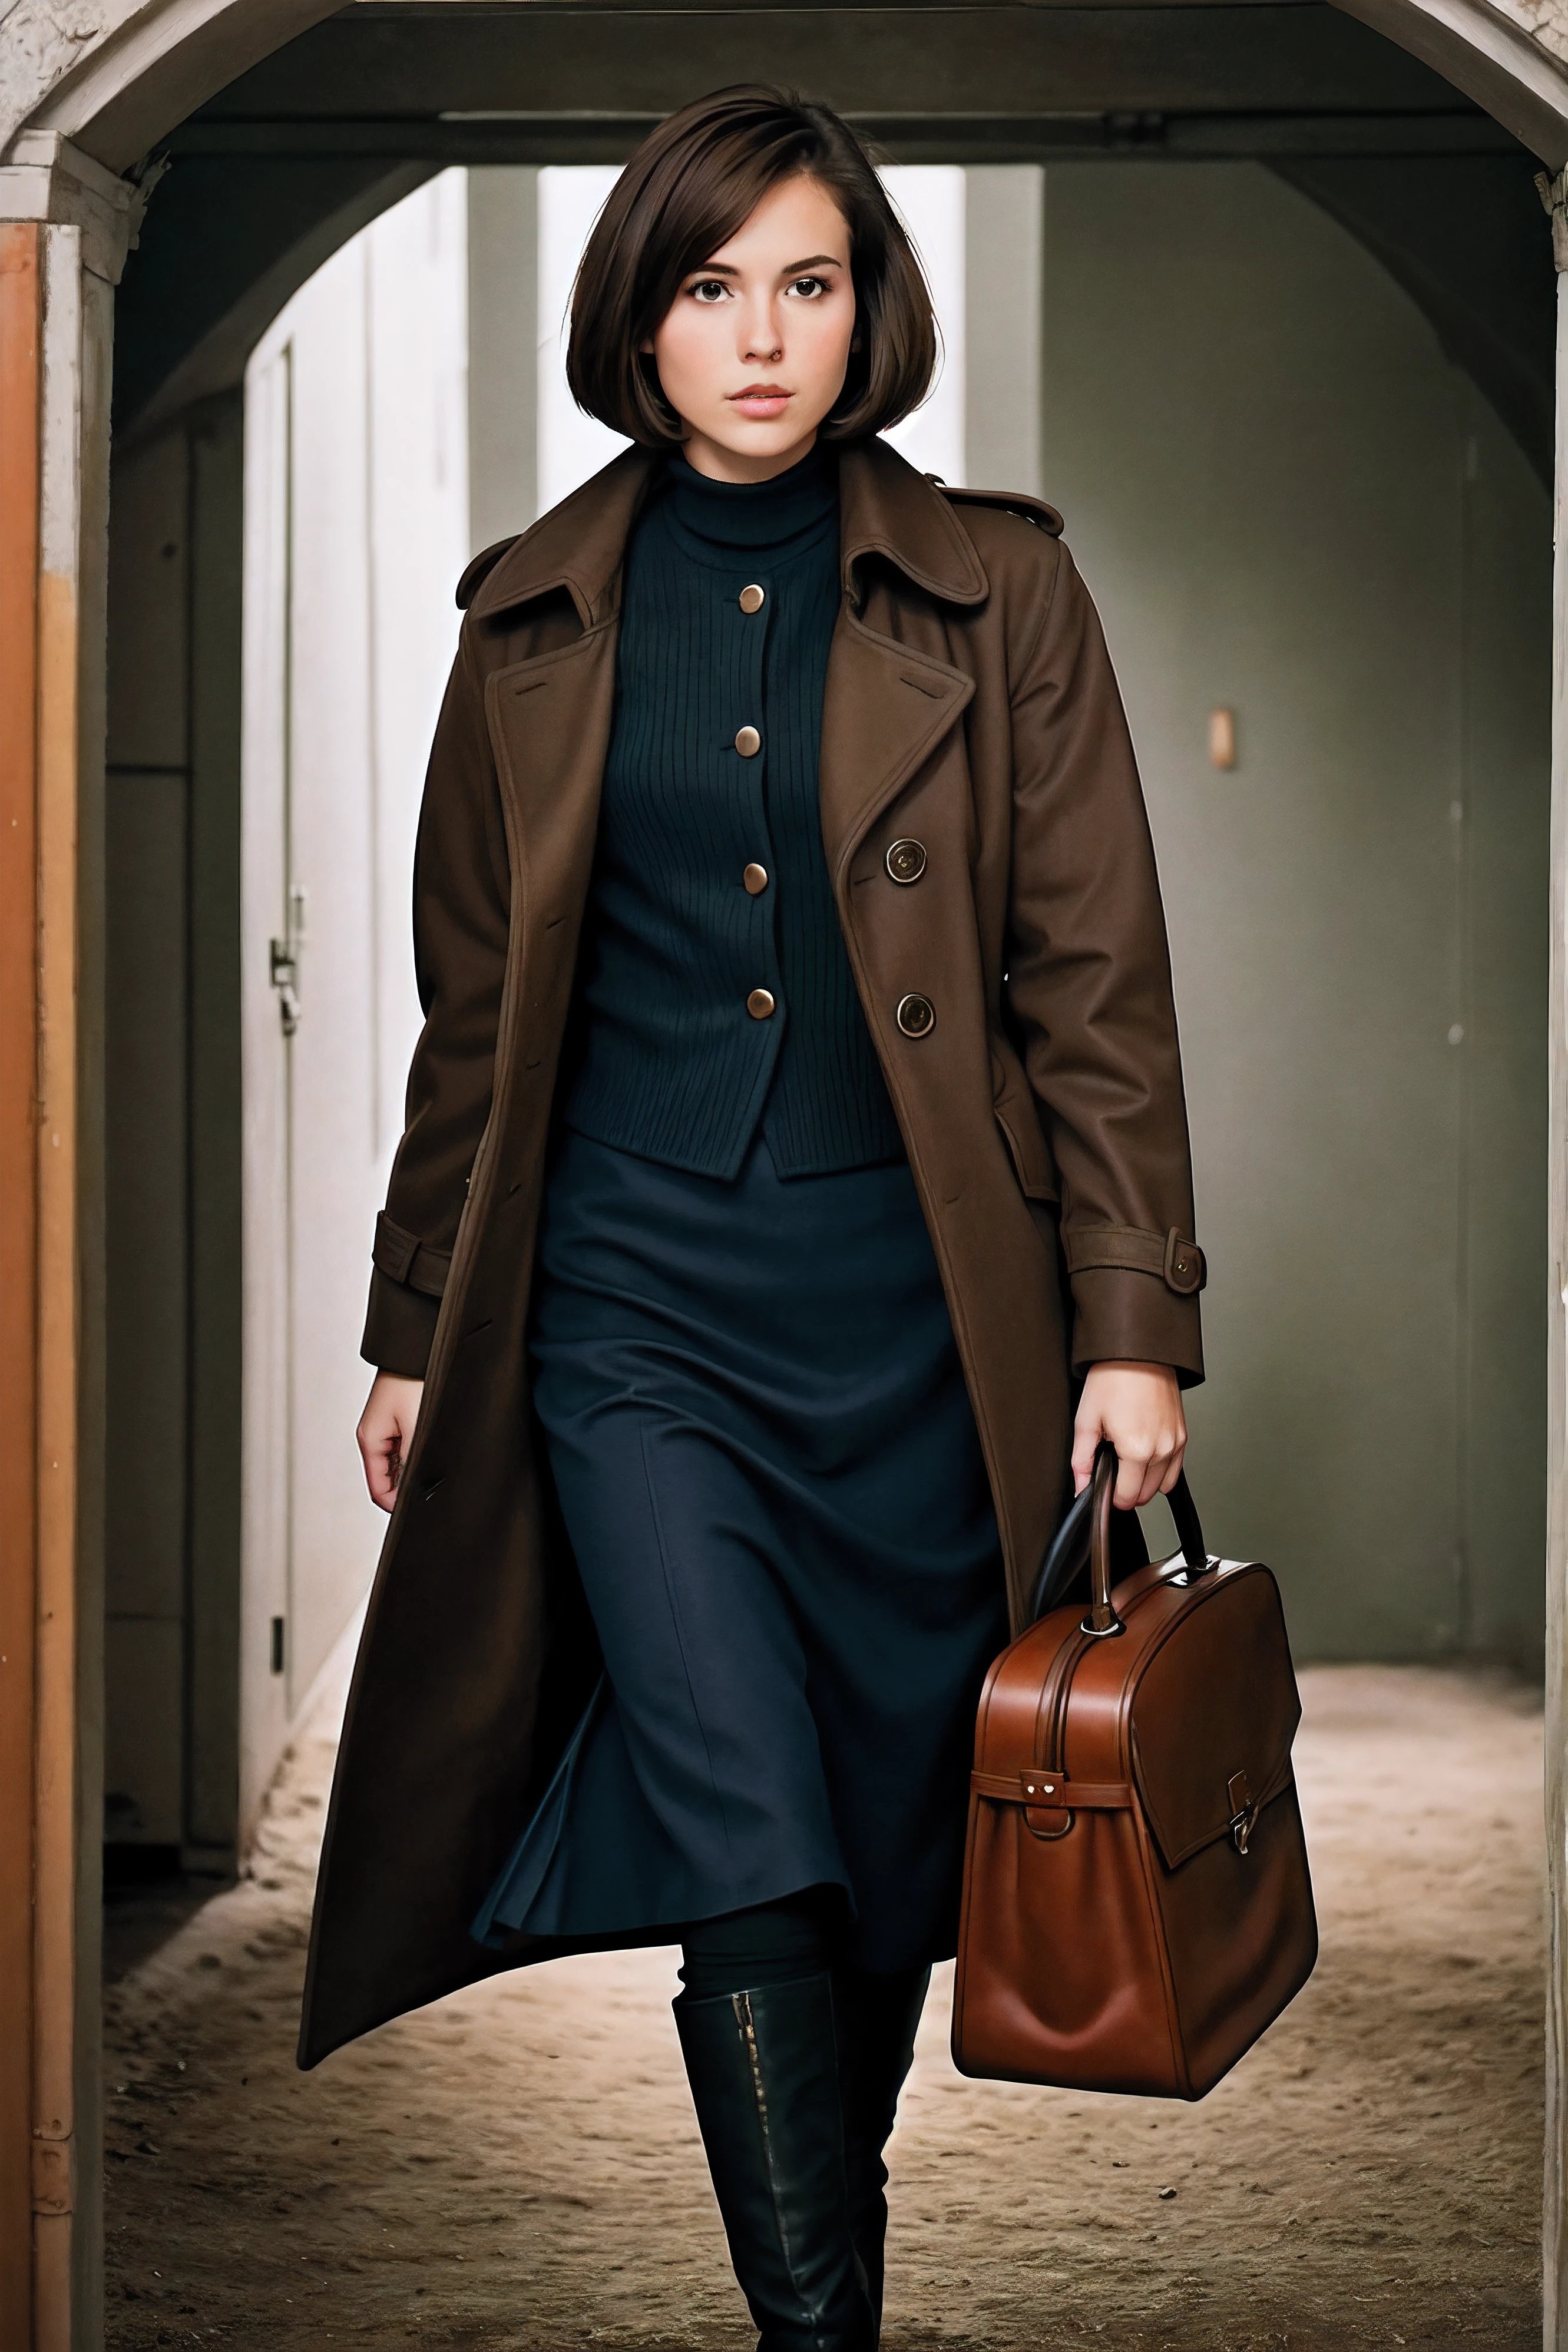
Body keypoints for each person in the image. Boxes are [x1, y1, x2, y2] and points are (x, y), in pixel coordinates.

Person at [309, 84, 1205, 2352]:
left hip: (920, 1318)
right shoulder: (522, 623)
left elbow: (1092, 978)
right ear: (640, 317)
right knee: (745, 1823)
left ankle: (826, 2255)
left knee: (888, 1861)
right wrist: (421, 1323)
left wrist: (1133, 1319)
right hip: (630, 1314)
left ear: (865, 310)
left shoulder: (1003, 589)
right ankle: (822, 2340)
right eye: (710, 289)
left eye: (806, 284)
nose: (760, 338)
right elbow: (474, 1016)